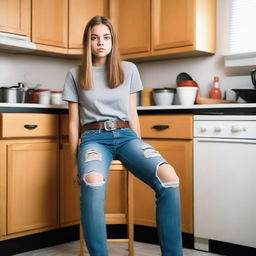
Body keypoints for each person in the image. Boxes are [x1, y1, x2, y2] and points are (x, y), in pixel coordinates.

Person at [63, 16, 183, 256]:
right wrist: (74, 163)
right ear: (87, 42)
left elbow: (133, 114)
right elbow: (74, 122)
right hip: (93, 138)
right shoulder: (75, 74)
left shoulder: (128, 69)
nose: (100, 43)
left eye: (106, 37)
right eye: (94, 38)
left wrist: (138, 144)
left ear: (112, 41)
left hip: (127, 136)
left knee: (169, 178)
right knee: (93, 181)